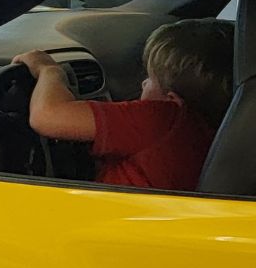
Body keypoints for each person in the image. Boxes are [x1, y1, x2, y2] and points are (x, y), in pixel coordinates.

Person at [13, 18, 234, 191]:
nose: (143, 83)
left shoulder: (163, 119)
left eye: (150, 79)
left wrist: (49, 70)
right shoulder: (221, 131)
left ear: (171, 100)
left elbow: (47, 115)